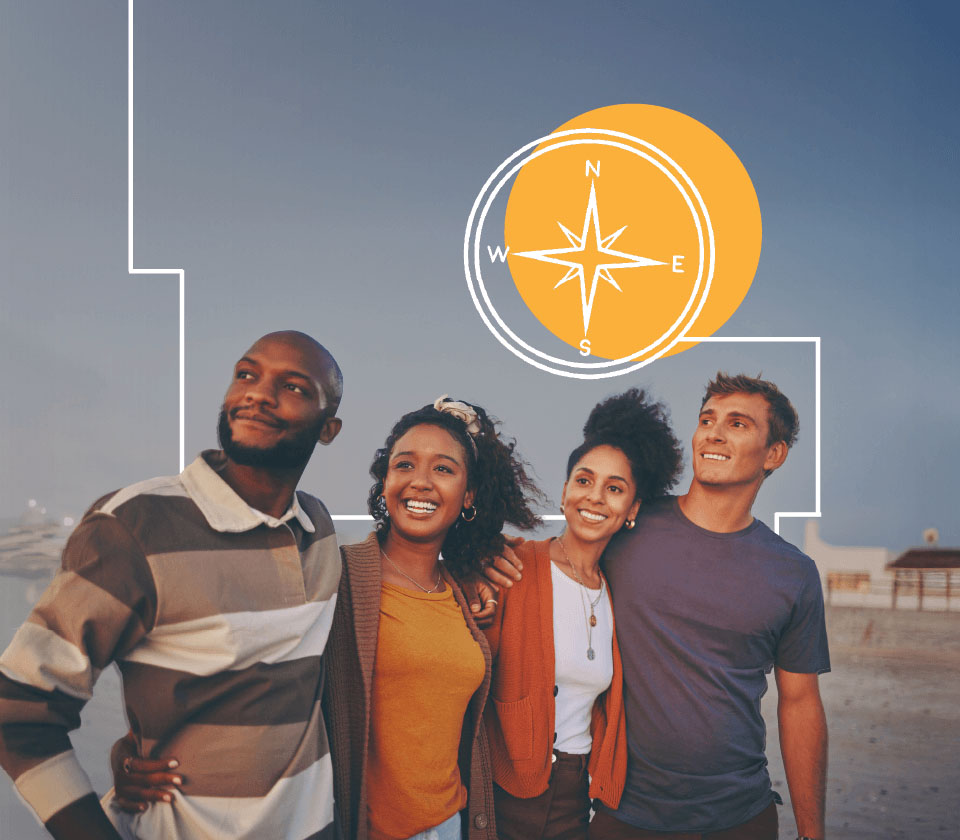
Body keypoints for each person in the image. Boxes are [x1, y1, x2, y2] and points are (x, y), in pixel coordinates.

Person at [0, 331, 345, 840]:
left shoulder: (318, 528)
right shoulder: (133, 526)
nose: (257, 394)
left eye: (292, 387)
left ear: (328, 429)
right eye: (246, 375)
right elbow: (19, 714)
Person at [488, 373, 830, 840]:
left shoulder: (793, 574)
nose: (714, 432)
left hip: (740, 815)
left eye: (737, 424)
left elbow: (800, 703)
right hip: (621, 811)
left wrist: (812, 833)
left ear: (774, 453)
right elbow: (561, 553)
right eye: (707, 419)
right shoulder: (629, 528)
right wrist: (490, 555)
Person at [324, 396, 542, 840]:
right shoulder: (337, 577)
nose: (420, 482)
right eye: (404, 465)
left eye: (443, 469)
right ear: (385, 480)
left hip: (452, 825)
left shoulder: (462, 592)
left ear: (469, 496)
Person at [484, 389, 683, 840]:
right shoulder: (511, 565)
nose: (595, 497)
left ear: (631, 510)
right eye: (584, 480)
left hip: (575, 796)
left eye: (614, 489)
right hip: (502, 788)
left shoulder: (617, 592)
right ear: (564, 491)